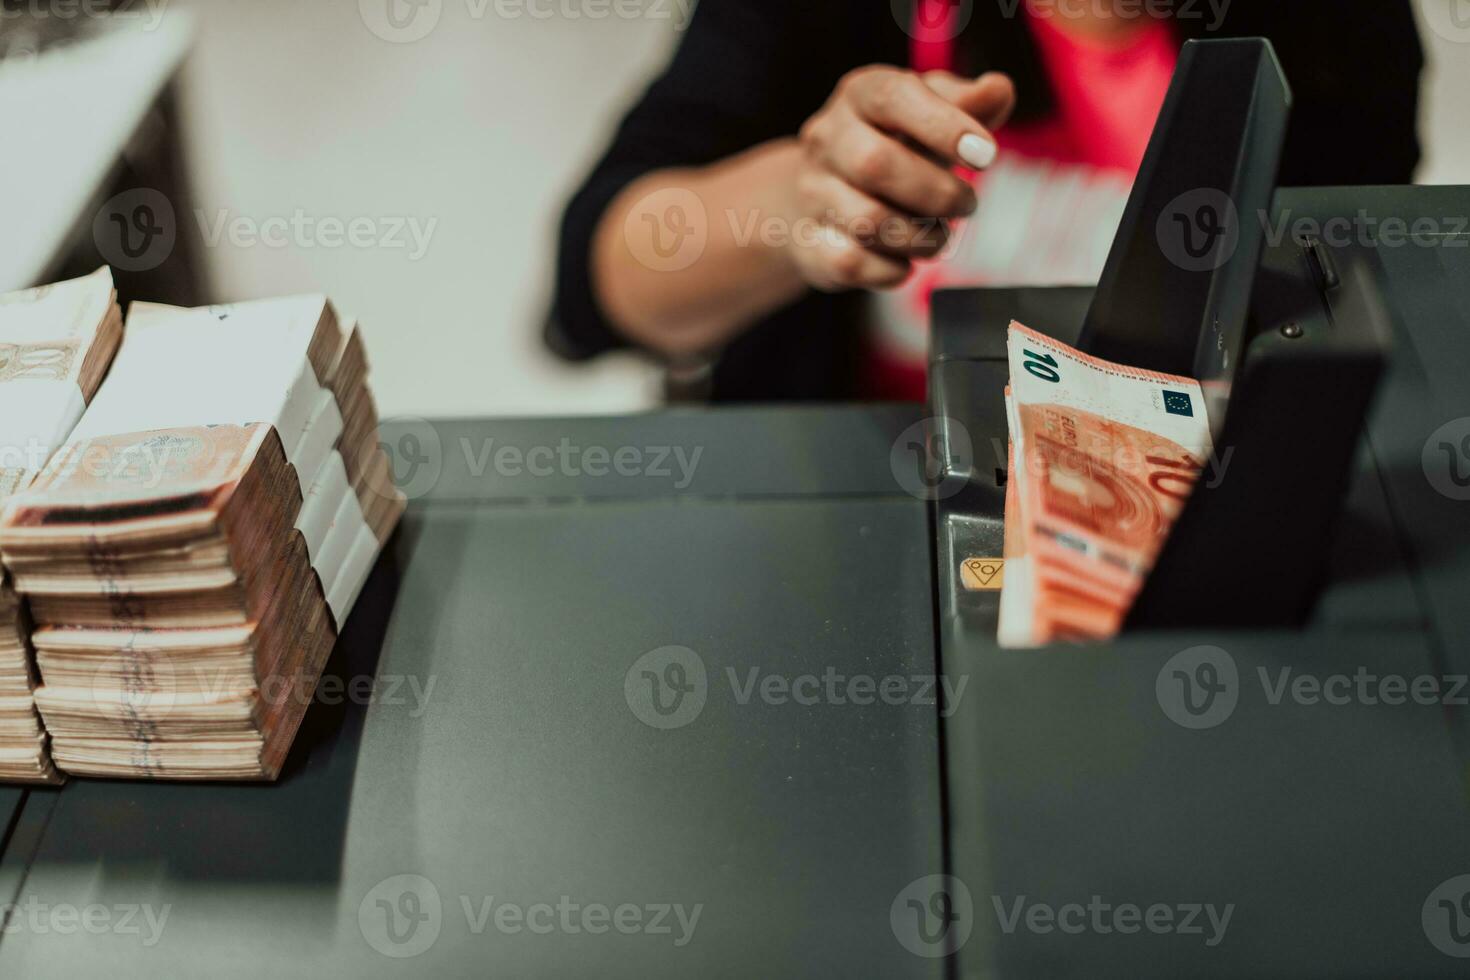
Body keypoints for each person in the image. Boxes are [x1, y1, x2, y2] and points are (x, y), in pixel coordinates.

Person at [548, 0, 1423, 401]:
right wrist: (803, 202)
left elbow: (1350, 317)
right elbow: (598, 285)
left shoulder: (1337, 29)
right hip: (854, 498)